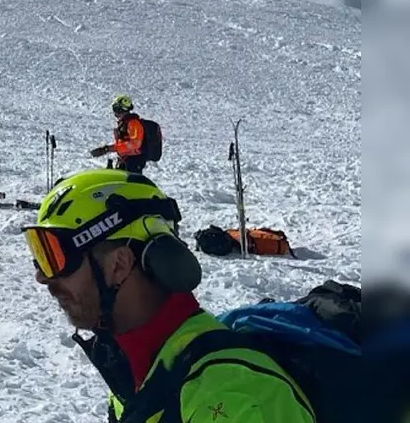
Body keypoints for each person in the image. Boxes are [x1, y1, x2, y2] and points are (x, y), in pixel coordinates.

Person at [23, 168, 317, 422]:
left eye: (56, 257)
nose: (42, 277)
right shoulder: (139, 366)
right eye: (40, 255)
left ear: (119, 264)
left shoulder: (229, 396)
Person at [90, 95, 148, 174]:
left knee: (129, 184)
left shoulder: (133, 123)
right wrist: (106, 149)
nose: (114, 112)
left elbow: (135, 144)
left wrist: (109, 149)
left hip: (134, 161)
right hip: (125, 159)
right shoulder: (125, 123)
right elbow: (123, 144)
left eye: (116, 108)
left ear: (121, 109)